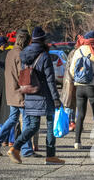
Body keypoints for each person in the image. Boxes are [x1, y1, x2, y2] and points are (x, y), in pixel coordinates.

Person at [8, 26, 65, 165]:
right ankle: (51, 156)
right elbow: (51, 80)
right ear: (43, 40)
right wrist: (56, 98)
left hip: (29, 94)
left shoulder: (24, 54)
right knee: (50, 124)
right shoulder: (44, 56)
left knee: (33, 126)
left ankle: (15, 148)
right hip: (45, 96)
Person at [0, 30, 36, 157]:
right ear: (26, 42)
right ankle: (26, 150)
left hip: (11, 92)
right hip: (20, 93)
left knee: (12, 119)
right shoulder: (22, 54)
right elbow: (23, 76)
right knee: (27, 121)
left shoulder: (10, 53)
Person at [69, 31, 94, 151]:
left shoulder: (78, 51)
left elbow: (71, 70)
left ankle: (77, 142)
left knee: (80, 114)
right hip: (93, 87)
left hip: (80, 87)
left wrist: (77, 80)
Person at [0, 36, 15, 148]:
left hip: (1, 88)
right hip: (5, 88)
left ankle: (4, 140)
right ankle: (9, 139)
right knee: (10, 115)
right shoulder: (3, 56)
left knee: (4, 114)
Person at [60, 46, 77, 132]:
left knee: (71, 103)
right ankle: (68, 123)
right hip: (70, 81)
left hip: (69, 80)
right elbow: (73, 68)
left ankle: (71, 122)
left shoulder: (73, 52)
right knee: (69, 103)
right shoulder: (75, 52)